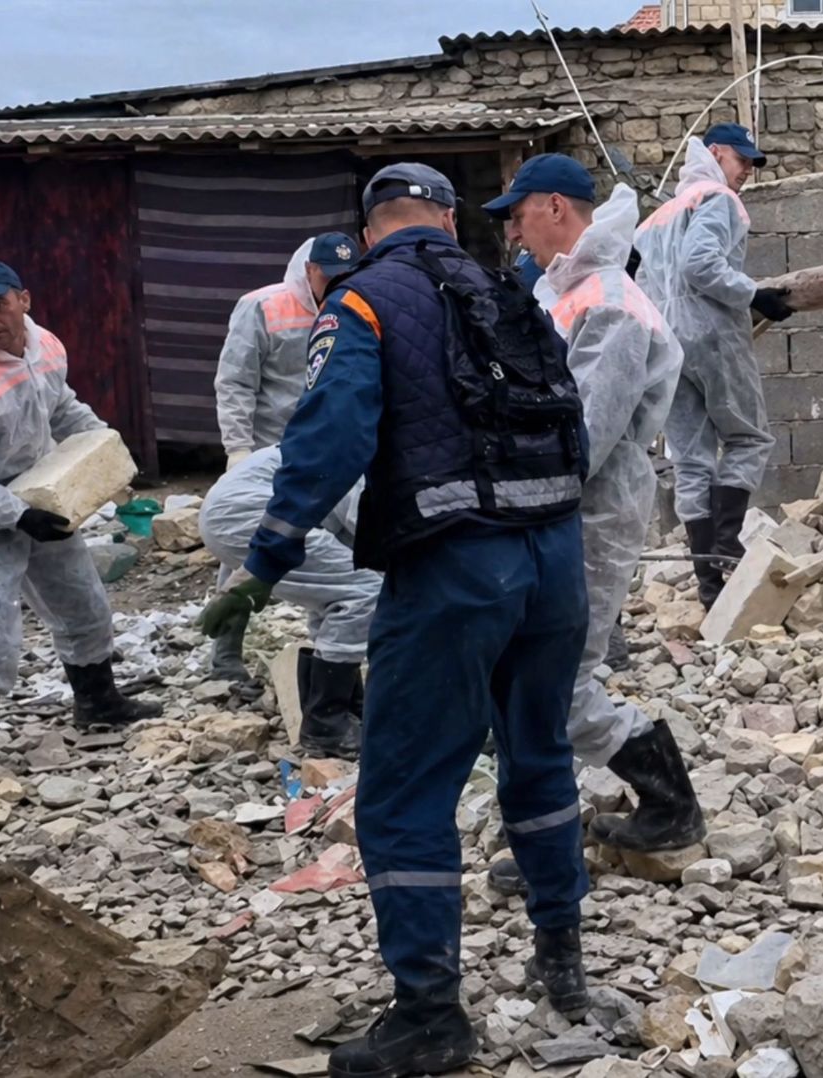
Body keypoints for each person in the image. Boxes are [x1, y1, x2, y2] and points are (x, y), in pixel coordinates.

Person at [195, 163, 593, 1077]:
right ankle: (564, 970)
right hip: (554, 562)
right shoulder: (509, 288)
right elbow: (570, 421)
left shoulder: (364, 302)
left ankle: (429, 1017)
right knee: (538, 759)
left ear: (369, 229)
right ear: (450, 220)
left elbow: (326, 441)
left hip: (456, 570)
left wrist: (263, 565)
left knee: (405, 791)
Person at [482, 154, 703, 893]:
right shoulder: (566, 292)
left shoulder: (606, 301)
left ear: (554, 207)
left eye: (517, 215)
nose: (513, 233)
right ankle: (569, 830)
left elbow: (587, 435)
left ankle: (668, 805)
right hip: (563, 506)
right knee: (537, 673)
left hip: (593, 507)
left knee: (559, 677)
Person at [0, 260, 154, 794]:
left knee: (82, 599)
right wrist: (18, 516)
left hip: (42, 490)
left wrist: (104, 451)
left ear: (23, 299)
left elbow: (61, 408)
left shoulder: (45, 346)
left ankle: (99, 703)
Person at [636, 123, 795, 607]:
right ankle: (726, 549)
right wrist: (756, 294)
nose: (747, 170)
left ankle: (709, 583)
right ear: (715, 153)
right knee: (749, 437)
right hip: (711, 333)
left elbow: (641, 279)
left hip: (665, 342)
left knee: (691, 459)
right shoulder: (718, 199)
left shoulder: (656, 217)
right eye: (742, 159)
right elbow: (701, 266)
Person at [211, 232, 367, 685]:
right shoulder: (263, 307)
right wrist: (237, 450)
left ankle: (337, 654)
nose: (336, 287)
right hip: (268, 454)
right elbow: (236, 381)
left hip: (327, 454)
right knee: (247, 550)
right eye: (328, 278)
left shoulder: (356, 306)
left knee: (337, 553)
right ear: (309, 271)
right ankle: (225, 655)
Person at [197, 447, 380, 760]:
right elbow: (374, 534)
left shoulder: (362, 437)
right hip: (250, 513)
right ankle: (326, 723)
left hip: (233, 509)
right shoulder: (376, 460)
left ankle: (345, 703)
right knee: (364, 590)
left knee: (338, 590)